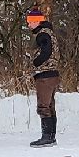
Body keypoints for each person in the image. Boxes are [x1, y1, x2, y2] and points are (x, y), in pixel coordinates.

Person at [27, 9, 59, 148]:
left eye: (30, 22)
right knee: (50, 105)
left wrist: (36, 62)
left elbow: (46, 51)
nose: (28, 25)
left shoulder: (43, 34)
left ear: (36, 21)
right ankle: (51, 136)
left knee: (43, 105)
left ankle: (47, 137)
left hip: (45, 74)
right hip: (52, 74)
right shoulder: (48, 32)